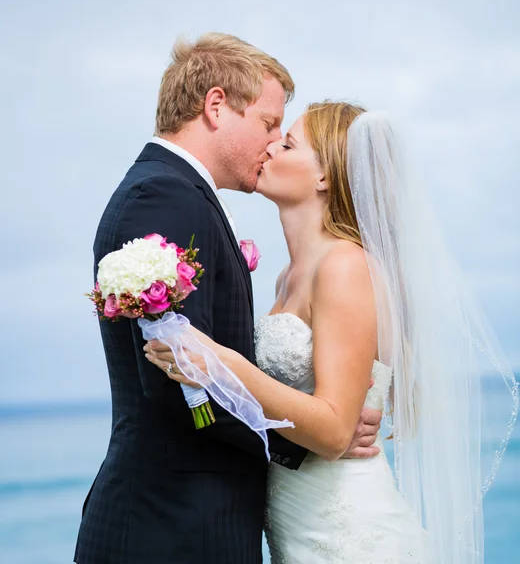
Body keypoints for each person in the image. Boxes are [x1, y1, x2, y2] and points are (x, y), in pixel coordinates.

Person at [146, 101, 519, 563]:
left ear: (324, 177)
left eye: (288, 143)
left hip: (347, 530)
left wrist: (224, 366)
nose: (269, 146)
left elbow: (335, 430)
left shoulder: (343, 265)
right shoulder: (287, 277)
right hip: (295, 518)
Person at [74, 35, 382, 564]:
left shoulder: (178, 194)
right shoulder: (164, 196)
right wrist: (307, 441)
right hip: (170, 528)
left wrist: (330, 418)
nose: (271, 143)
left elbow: (209, 362)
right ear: (216, 106)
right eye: (268, 125)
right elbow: (177, 382)